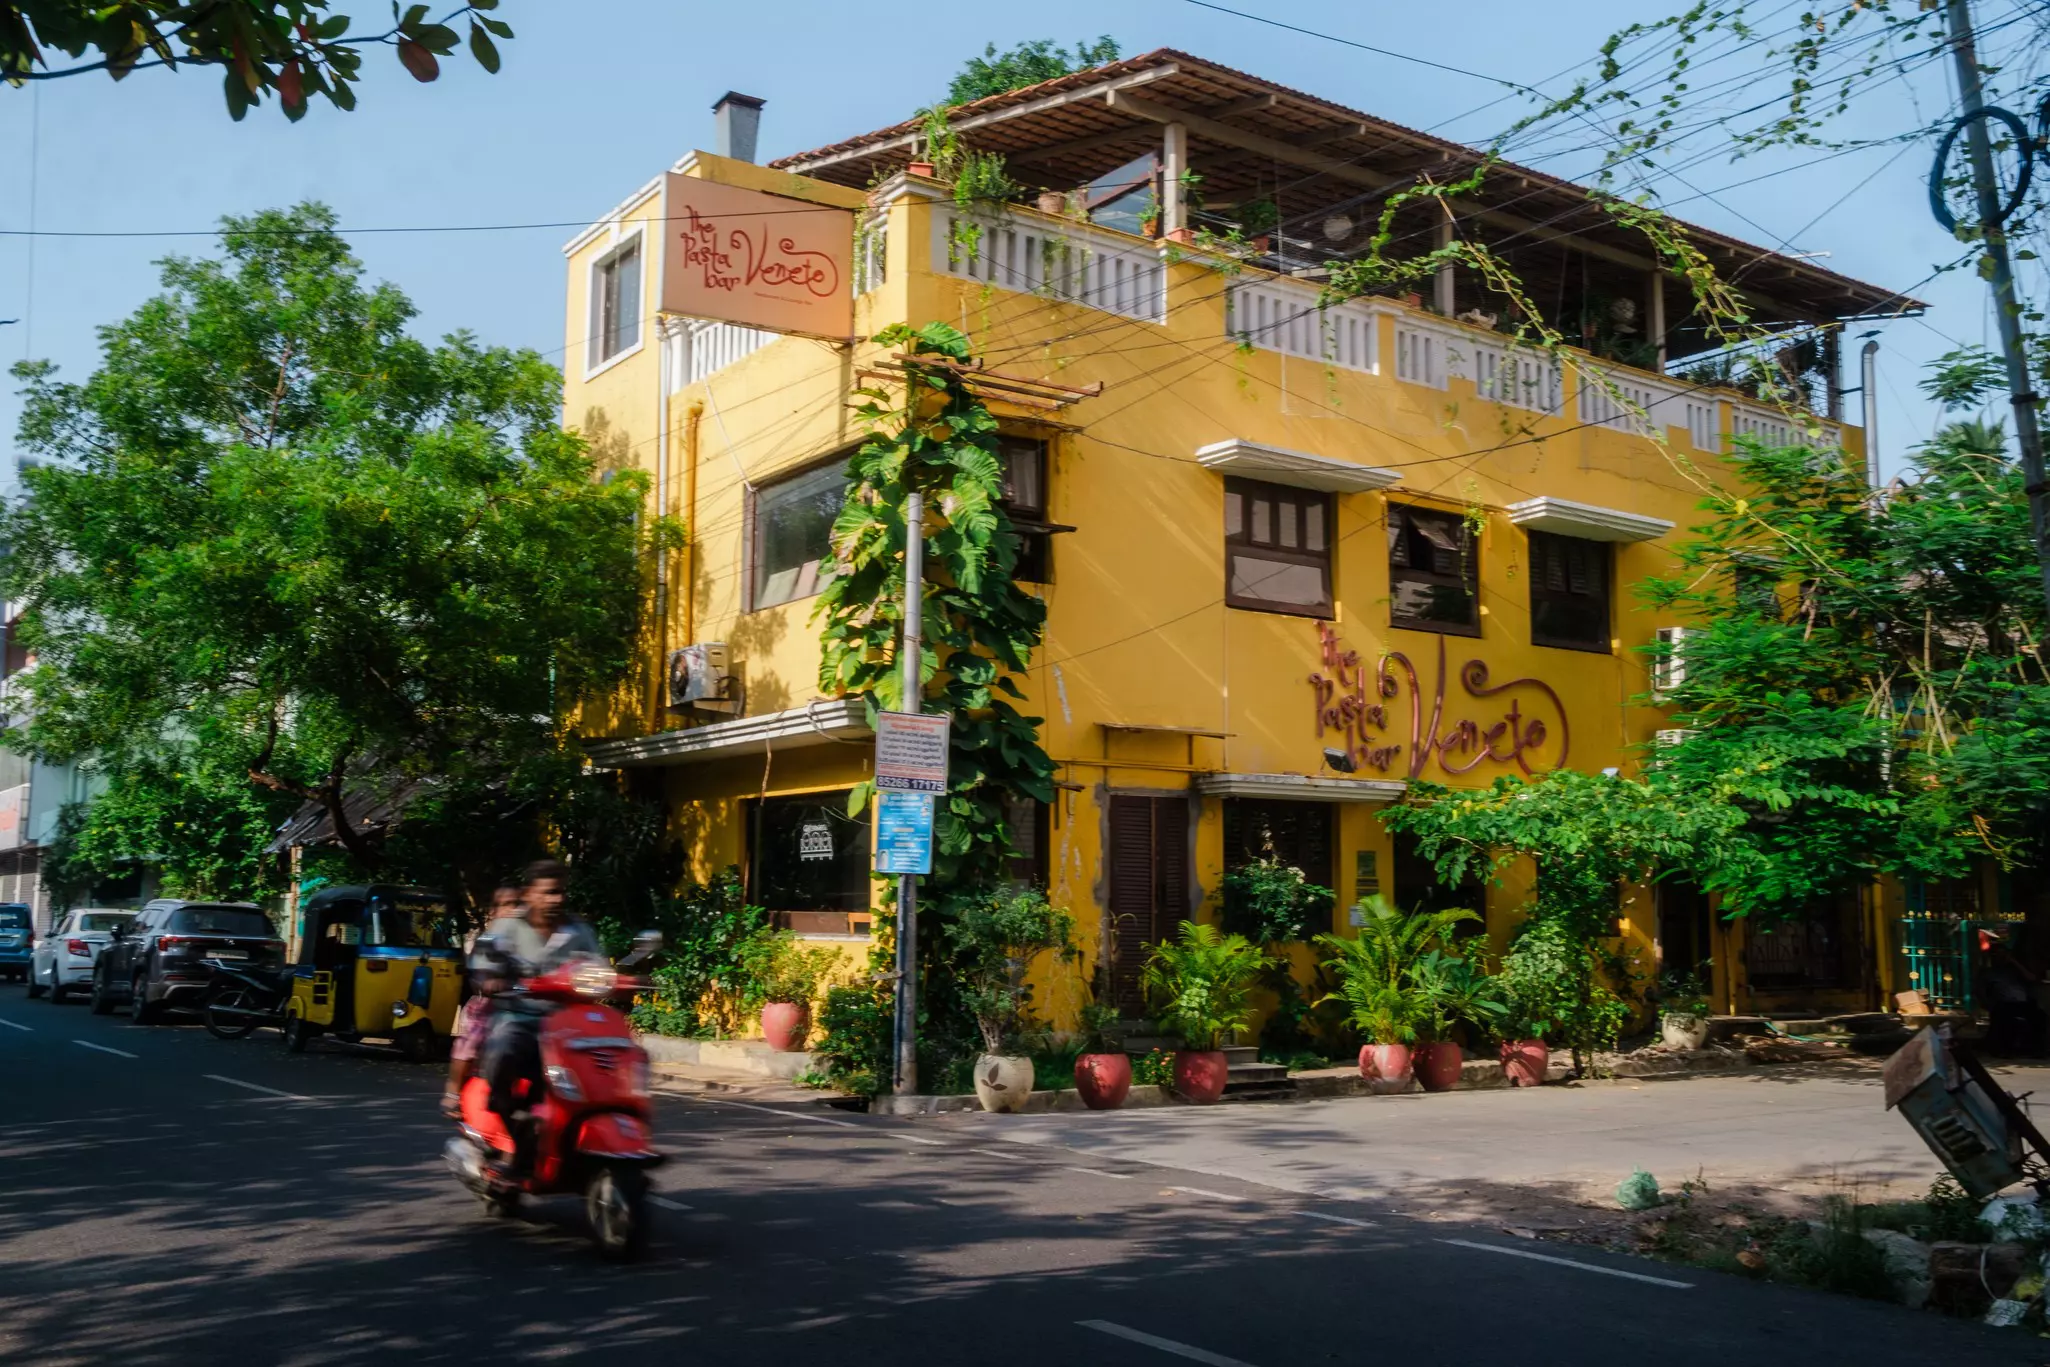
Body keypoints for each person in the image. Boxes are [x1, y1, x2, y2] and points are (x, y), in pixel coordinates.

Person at [477, 860, 604, 1174]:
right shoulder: (506, 929)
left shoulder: (579, 930)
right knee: (503, 1046)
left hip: (568, 1023)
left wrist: (616, 980)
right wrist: (490, 980)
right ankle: (505, 1109)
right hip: (520, 1017)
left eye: (560, 892)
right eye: (549, 893)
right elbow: (480, 965)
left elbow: (600, 966)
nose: (556, 900)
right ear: (529, 894)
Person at [442, 883, 522, 1119]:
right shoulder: (488, 940)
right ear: (493, 912)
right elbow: (478, 977)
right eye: (505, 905)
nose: (511, 910)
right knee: (471, 1041)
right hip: (489, 1006)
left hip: (524, 1007)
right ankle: (453, 1091)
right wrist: (490, 984)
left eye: (516, 904)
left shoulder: (531, 940)